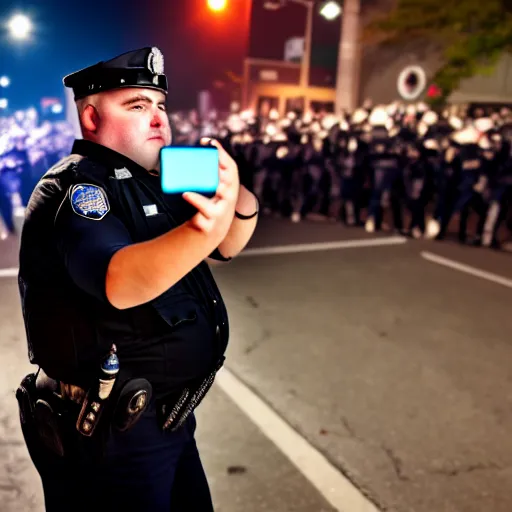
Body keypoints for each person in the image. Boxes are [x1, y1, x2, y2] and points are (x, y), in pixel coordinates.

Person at [16, 46, 259, 512]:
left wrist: (232, 190)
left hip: (164, 417)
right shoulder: (77, 187)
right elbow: (121, 282)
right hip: (110, 431)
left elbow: (228, 243)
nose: (158, 119)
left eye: (161, 105)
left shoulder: (152, 177)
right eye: (137, 105)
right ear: (90, 118)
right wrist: (202, 226)